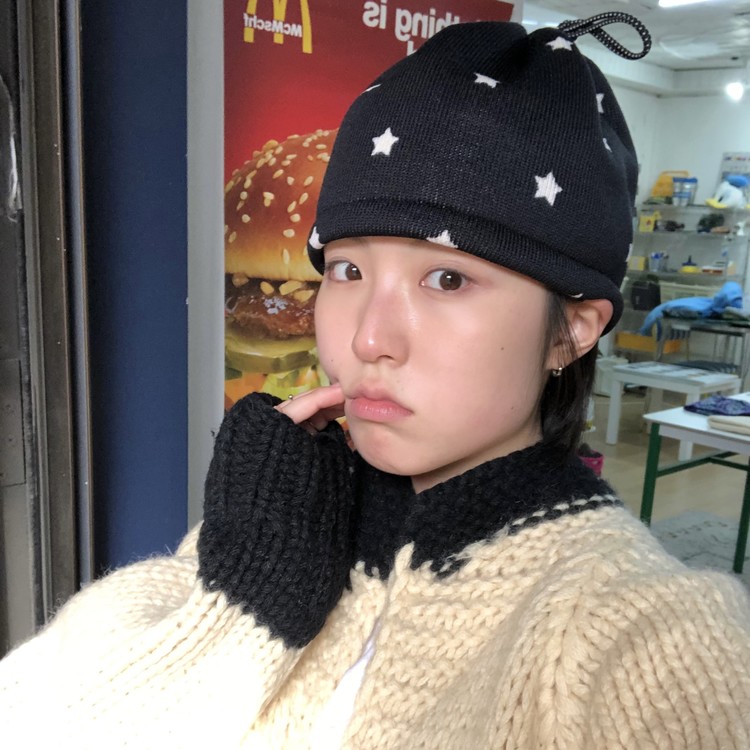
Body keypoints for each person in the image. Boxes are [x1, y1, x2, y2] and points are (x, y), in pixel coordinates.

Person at [2, 13, 750, 749]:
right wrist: (244, 595)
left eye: (448, 278)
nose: (366, 339)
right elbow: (31, 715)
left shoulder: (652, 636)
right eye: (347, 269)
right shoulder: (287, 515)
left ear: (573, 329)